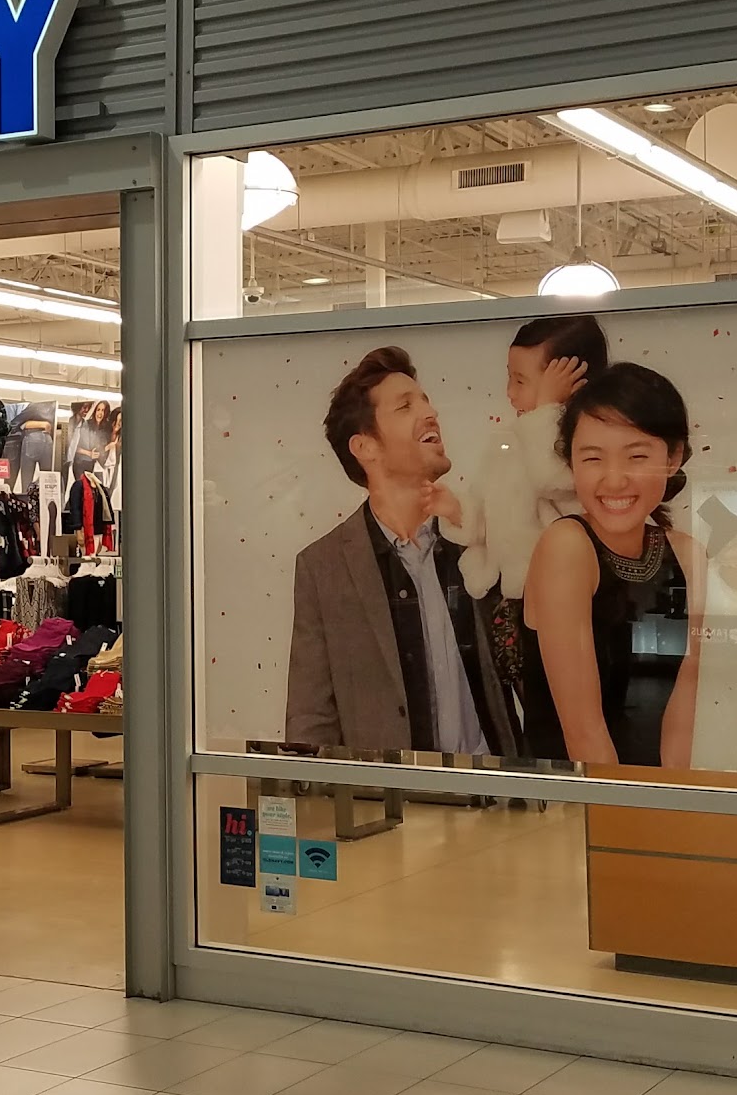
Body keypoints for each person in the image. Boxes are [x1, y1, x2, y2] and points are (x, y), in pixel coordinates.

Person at [285, 346, 513, 754]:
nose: (431, 412)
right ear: (365, 447)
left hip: (492, 786)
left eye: (425, 400)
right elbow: (311, 715)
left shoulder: (476, 535)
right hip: (390, 792)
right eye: (406, 406)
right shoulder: (324, 567)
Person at [520, 362, 704, 769]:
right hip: (571, 797)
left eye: (636, 456)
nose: (614, 479)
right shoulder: (567, 547)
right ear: (571, 462)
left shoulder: (689, 556)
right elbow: (583, 733)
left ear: (673, 457)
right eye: (593, 458)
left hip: (645, 794)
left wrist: (675, 798)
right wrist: (625, 807)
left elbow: (681, 716)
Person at [437, 314, 609, 732]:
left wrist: (548, 410)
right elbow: (486, 520)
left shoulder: (585, 439)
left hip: (560, 601)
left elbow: (555, 480)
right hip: (507, 600)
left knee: (565, 714)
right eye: (509, 378)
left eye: (520, 380)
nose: (510, 393)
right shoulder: (509, 442)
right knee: (531, 715)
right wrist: (454, 510)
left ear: (570, 381)